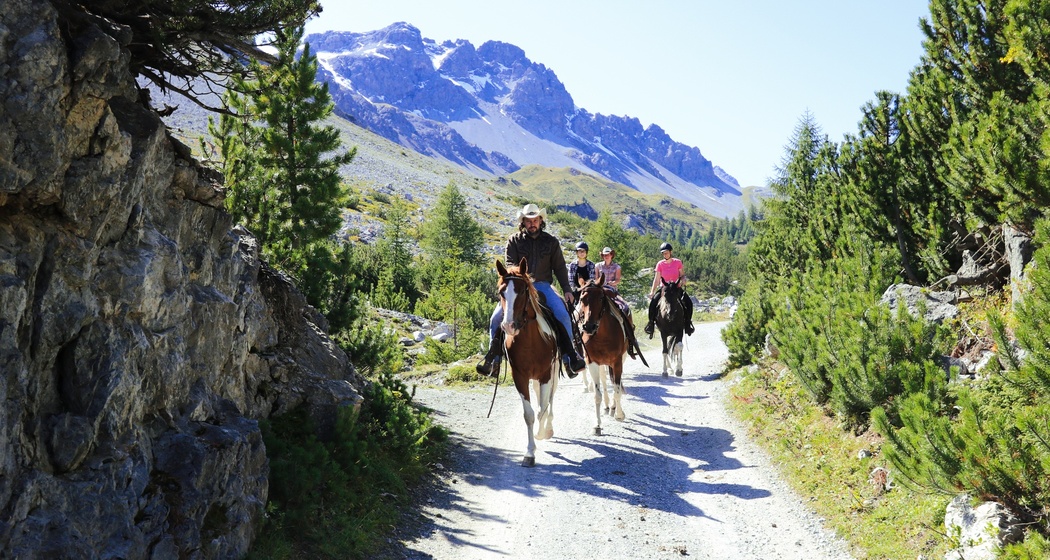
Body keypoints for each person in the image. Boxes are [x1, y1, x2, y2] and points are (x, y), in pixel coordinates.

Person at [476, 204, 588, 376]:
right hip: (519, 286)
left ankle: (570, 357)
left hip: (544, 285)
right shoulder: (514, 241)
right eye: (528, 221)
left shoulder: (551, 242)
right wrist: (520, 280)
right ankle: (493, 359)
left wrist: (566, 289)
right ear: (523, 222)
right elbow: (510, 266)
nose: (532, 223)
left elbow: (559, 267)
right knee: (495, 318)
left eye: (535, 220)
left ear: (541, 220)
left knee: (563, 314)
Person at [594, 247, 642, 357]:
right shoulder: (598, 266)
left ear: (611, 255)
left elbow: (618, 279)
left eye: (608, 254)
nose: (606, 256)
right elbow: (595, 279)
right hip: (600, 291)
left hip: (612, 291)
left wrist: (612, 283)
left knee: (625, 307)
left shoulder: (617, 267)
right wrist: (600, 283)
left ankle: (630, 336)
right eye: (604, 255)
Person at [644, 242, 694, 338]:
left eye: (666, 252)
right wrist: (652, 291)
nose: (665, 254)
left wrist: (683, 279)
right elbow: (657, 279)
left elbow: (682, 275)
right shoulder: (660, 264)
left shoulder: (678, 262)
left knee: (688, 302)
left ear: (671, 252)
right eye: (663, 253)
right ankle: (651, 324)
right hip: (665, 289)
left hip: (676, 288)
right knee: (653, 303)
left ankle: (688, 323)